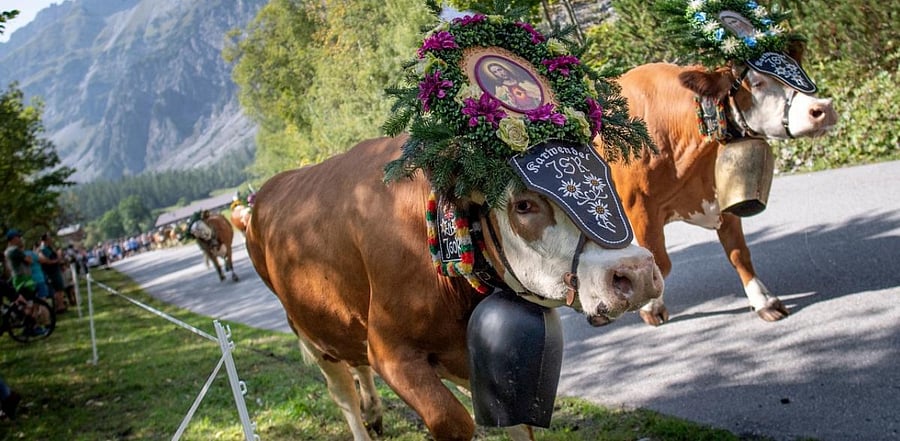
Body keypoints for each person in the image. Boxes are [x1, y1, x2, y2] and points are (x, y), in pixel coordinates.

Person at [38, 233, 71, 312]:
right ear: (45, 239)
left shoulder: (48, 248)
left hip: (55, 271)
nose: (51, 239)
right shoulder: (44, 249)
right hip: (52, 272)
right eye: (49, 238)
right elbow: (49, 260)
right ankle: (60, 306)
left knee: (59, 289)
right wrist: (58, 257)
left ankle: (61, 305)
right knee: (58, 289)